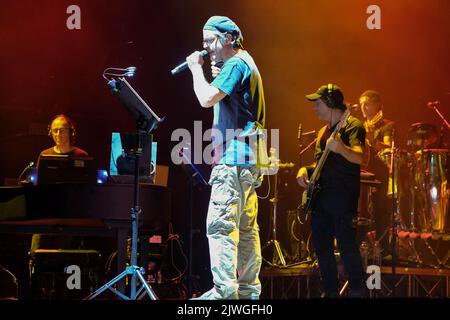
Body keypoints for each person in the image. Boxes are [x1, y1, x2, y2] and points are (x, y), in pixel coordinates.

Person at [186, 16, 266, 300]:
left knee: (220, 227)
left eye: (210, 41)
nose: (205, 48)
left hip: (233, 160)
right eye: (203, 42)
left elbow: (206, 98)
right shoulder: (245, 62)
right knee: (245, 230)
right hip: (248, 161)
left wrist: (197, 70)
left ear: (229, 38)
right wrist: (215, 68)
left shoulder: (235, 64)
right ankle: (247, 292)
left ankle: (224, 294)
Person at [296, 84, 365, 298]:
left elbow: (361, 158)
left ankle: (356, 291)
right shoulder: (323, 132)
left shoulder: (352, 125)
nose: (314, 108)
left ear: (331, 103)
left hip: (343, 198)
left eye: (318, 103)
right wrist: (303, 170)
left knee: (346, 247)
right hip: (321, 199)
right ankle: (331, 292)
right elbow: (318, 164)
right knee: (322, 251)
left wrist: (342, 148)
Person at [30, 114, 89, 258]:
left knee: (66, 257)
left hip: (70, 216)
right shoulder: (44, 154)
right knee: (37, 255)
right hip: (46, 213)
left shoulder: (81, 155)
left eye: (62, 130)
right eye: (55, 130)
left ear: (71, 132)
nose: (58, 134)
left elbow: (86, 189)